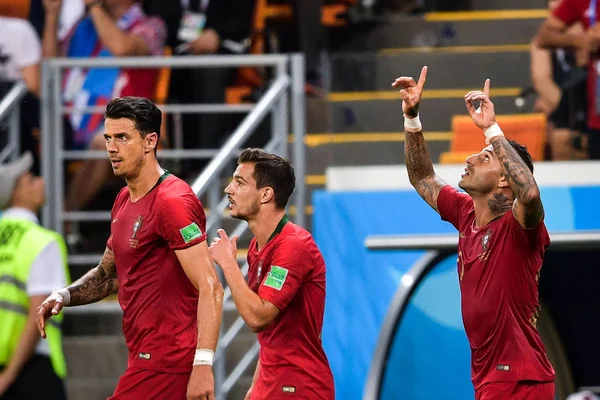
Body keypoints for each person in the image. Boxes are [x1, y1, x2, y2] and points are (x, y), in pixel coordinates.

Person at [36, 97, 224, 400]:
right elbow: (108, 275)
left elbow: (210, 285)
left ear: (150, 141)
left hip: (168, 362)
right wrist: (64, 295)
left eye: (122, 137)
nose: (111, 147)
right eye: (108, 138)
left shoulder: (172, 201)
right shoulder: (124, 199)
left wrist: (203, 364)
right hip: (143, 357)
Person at [394, 66, 555, 399]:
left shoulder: (519, 226)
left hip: (520, 380)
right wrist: (412, 118)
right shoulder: (466, 213)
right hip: (489, 378)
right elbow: (423, 178)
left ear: (503, 180)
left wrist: (493, 131)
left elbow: (530, 194)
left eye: (484, 157)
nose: (469, 159)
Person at [208, 148, 334, 400]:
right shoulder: (259, 246)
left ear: (266, 194)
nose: (228, 189)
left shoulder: (293, 245)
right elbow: (271, 335)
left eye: (240, 182)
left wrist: (228, 265)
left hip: (299, 386)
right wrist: (257, 386)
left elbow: (259, 317)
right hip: (272, 382)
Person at [0, 151, 70, 400]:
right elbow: (39, 314)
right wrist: (8, 377)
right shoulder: (41, 242)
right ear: (16, 193)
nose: (41, 181)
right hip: (31, 369)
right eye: (31, 179)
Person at [535, 0, 600, 159]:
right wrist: (582, 41)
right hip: (595, 116)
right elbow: (543, 37)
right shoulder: (582, 3)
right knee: (561, 137)